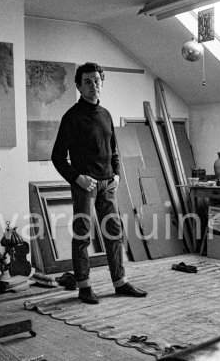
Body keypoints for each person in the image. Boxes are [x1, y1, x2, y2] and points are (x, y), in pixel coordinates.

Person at [51, 62, 148, 304]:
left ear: (101, 82)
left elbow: (114, 150)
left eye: (97, 80)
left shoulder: (105, 115)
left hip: (107, 184)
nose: (94, 85)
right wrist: (77, 178)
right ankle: (84, 286)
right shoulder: (71, 117)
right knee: (82, 236)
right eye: (87, 82)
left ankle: (120, 282)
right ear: (78, 86)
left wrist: (116, 174)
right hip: (86, 185)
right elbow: (57, 157)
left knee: (113, 234)